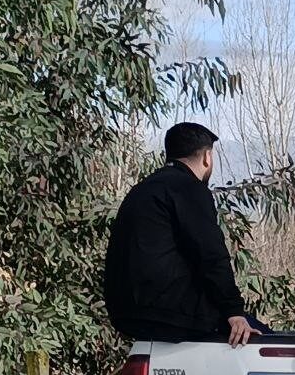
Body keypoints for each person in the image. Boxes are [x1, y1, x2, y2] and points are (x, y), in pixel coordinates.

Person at [105, 122, 261, 346]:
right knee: (259, 338)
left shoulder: (142, 189)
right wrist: (234, 311)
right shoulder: (189, 189)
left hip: (126, 313)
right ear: (207, 157)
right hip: (171, 313)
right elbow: (211, 254)